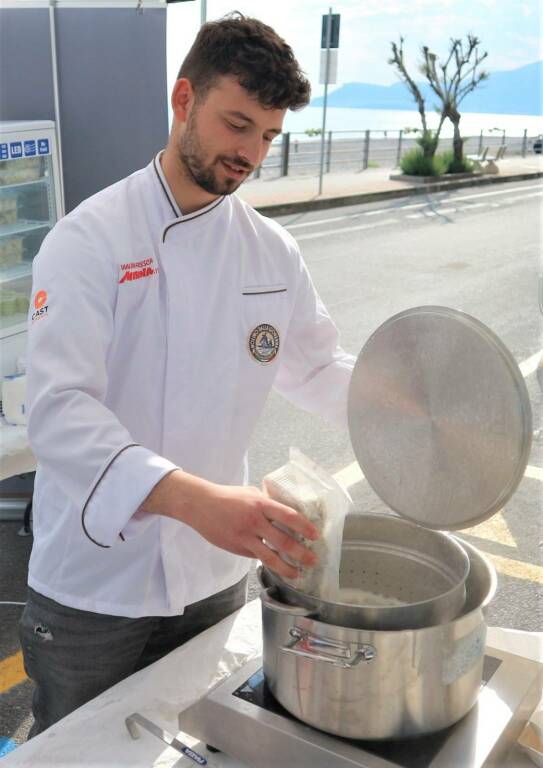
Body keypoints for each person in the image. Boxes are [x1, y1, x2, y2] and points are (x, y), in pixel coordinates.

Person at [20, 13, 355, 736]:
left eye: (267, 136)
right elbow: (59, 410)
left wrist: (417, 416)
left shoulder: (271, 252)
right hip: (94, 586)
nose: (250, 154)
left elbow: (319, 366)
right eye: (236, 125)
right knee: (78, 753)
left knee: (193, 744)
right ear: (182, 101)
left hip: (214, 576)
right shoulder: (90, 238)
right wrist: (197, 501)